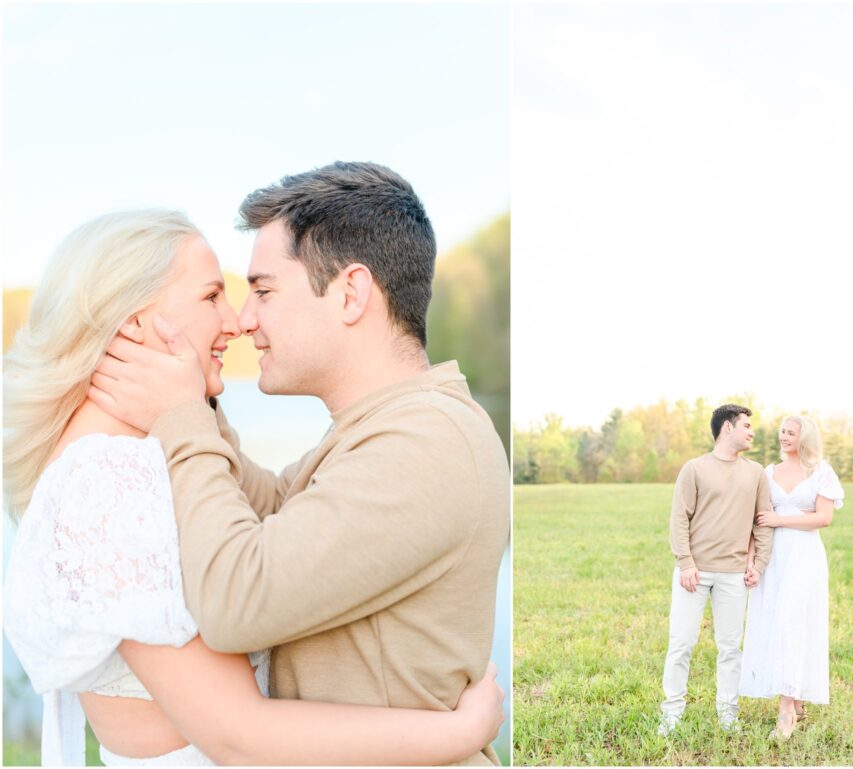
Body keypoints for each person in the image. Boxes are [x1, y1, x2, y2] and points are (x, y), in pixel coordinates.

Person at [2, 209, 504, 765]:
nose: (239, 319)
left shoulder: (421, 439)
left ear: (351, 293)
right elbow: (237, 730)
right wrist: (461, 732)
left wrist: (187, 414)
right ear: (135, 324)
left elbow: (256, 541)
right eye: (213, 296)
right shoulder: (109, 480)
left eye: (259, 291)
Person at [658, 404, 774, 736]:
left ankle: (728, 715)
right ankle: (672, 714)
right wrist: (686, 563)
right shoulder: (694, 469)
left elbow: (762, 522)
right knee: (681, 644)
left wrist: (758, 565)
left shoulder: (756, 473)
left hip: (734, 574)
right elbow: (679, 518)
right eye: (747, 426)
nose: (752, 432)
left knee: (730, 648)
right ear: (727, 427)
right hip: (693, 573)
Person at [739, 415, 843, 739]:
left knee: (793, 622)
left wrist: (780, 519)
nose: (784, 437)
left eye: (791, 433)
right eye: (782, 432)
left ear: (804, 437)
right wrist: (753, 559)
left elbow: (823, 518)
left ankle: (786, 711)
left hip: (804, 557)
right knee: (776, 622)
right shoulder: (768, 473)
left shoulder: (821, 472)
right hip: (775, 558)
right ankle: (794, 698)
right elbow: (758, 519)